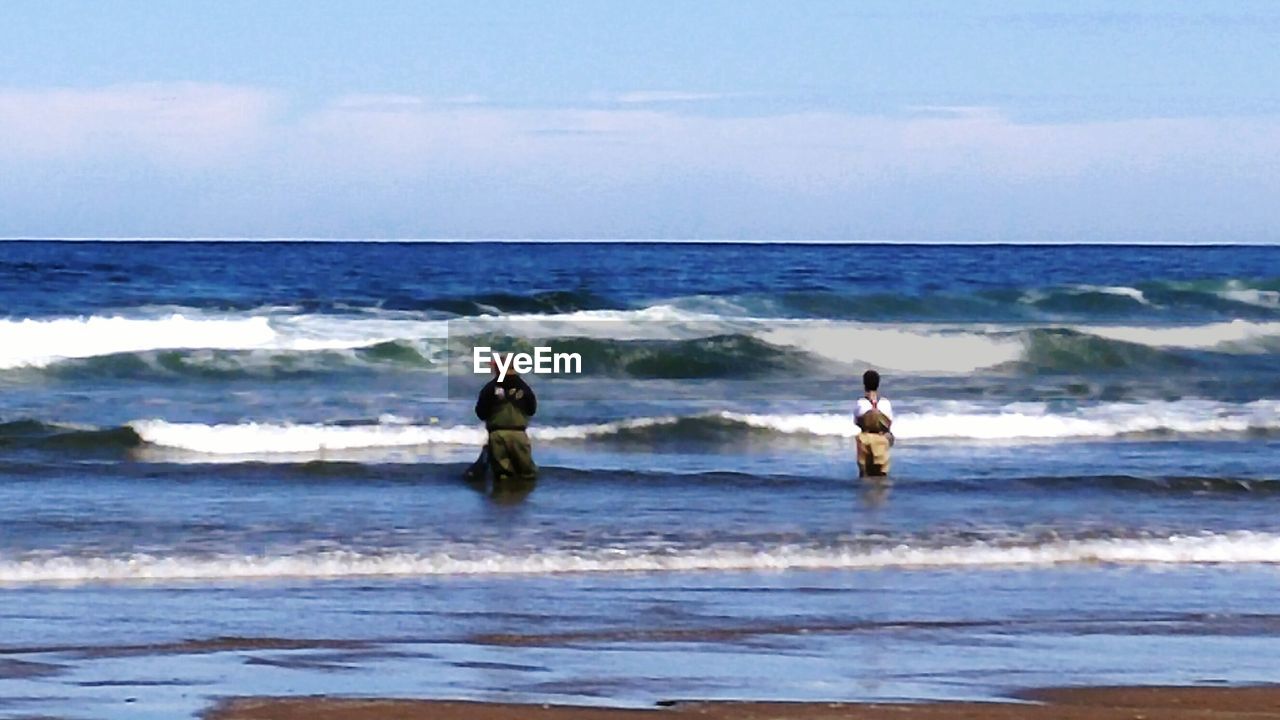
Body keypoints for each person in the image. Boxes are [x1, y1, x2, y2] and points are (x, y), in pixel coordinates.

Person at [474, 355, 538, 492]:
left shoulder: (490, 388)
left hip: (497, 435)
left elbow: (481, 413)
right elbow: (532, 410)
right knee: (527, 472)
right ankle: (522, 498)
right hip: (519, 435)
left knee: (503, 473)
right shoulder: (524, 388)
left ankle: (504, 497)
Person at [854, 369, 893, 477]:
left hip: (864, 438)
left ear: (864, 384)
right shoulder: (885, 403)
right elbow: (889, 423)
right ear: (878, 384)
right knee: (882, 474)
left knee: (864, 474)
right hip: (881, 438)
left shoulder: (860, 402)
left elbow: (856, 421)